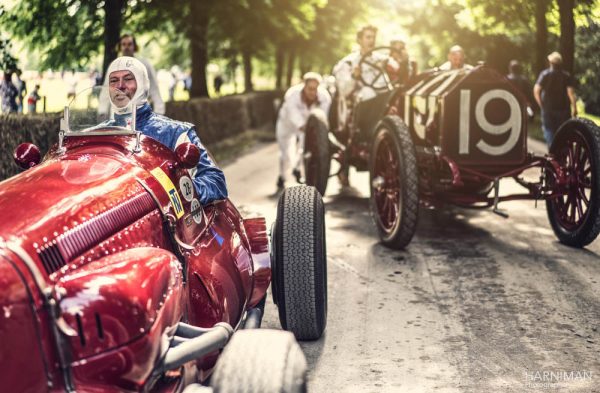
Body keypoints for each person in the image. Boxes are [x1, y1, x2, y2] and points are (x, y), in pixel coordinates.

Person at [104, 56, 227, 204]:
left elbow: (215, 181)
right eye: (114, 80)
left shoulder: (176, 132)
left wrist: (180, 193)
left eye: (128, 79)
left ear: (142, 83)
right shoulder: (98, 133)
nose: (120, 86)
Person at [276, 72, 331, 189]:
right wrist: (303, 126)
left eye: (315, 89)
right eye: (310, 88)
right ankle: (282, 176)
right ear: (304, 86)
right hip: (287, 124)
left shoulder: (324, 97)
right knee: (285, 152)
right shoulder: (292, 94)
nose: (313, 92)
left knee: (305, 147)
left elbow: (322, 118)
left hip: (307, 126)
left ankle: (297, 169)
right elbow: (293, 113)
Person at [101, 34, 165, 115]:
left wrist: (159, 111)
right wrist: (102, 110)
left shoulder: (144, 64)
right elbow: (106, 89)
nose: (126, 47)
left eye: (129, 44)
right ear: (120, 47)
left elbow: (154, 89)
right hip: (118, 113)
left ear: (135, 46)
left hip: (139, 113)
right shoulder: (113, 66)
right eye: (123, 44)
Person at [333, 25, 388, 103]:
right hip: (358, 104)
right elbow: (343, 91)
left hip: (381, 99)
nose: (372, 41)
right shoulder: (348, 62)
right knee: (368, 92)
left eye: (374, 37)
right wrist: (353, 77)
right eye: (368, 37)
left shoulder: (383, 59)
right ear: (359, 40)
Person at [533, 52, 578, 147]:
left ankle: (552, 151)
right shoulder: (566, 76)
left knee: (549, 130)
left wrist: (541, 104)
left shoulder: (544, 74)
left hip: (548, 108)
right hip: (563, 109)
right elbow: (571, 93)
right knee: (563, 132)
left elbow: (536, 91)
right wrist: (574, 108)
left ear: (550, 62)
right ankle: (562, 153)